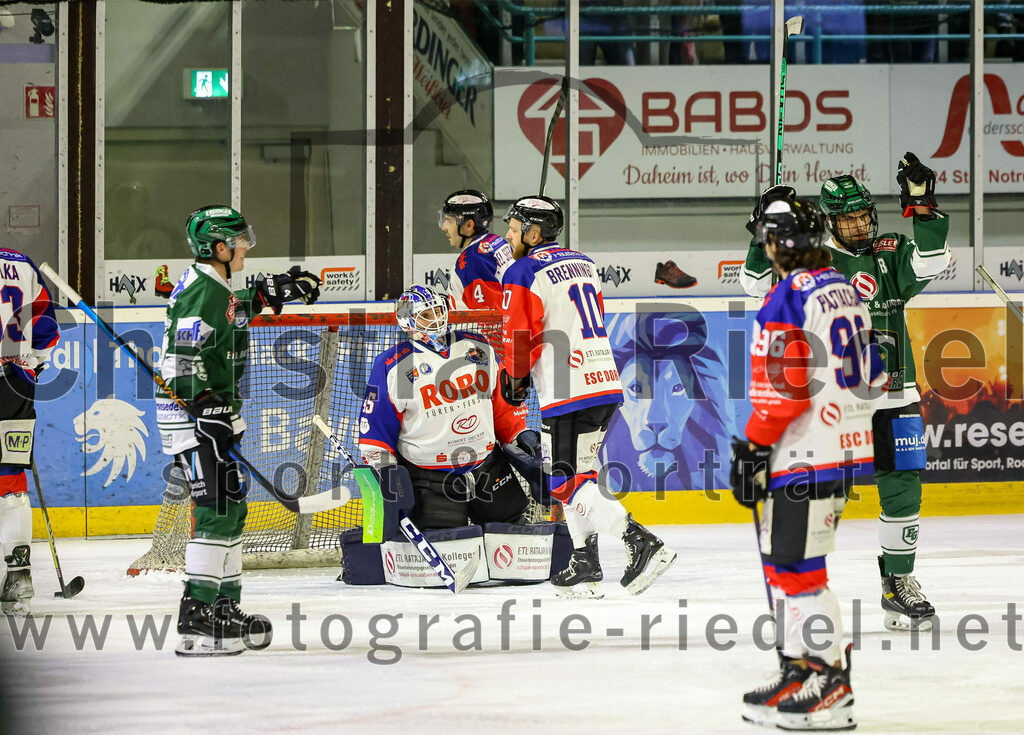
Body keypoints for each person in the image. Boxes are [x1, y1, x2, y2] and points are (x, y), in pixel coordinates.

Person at [740, 153, 951, 632]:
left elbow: (934, 260)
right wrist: (763, 227)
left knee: (903, 485)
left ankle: (898, 582)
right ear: (830, 221)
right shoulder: (812, 259)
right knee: (814, 492)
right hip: (834, 400)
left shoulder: (889, 251)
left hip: (894, 390)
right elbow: (753, 285)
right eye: (848, 218)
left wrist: (922, 206)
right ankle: (802, 590)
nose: (858, 225)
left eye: (862, 216)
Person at [731, 197, 887, 730]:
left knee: (800, 571)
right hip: (836, 449)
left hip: (803, 452)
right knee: (788, 565)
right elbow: (875, 375)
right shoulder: (845, 288)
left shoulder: (787, 297)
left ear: (777, 243)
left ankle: (831, 682)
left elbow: (783, 391)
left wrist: (753, 447)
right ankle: (799, 671)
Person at [156, 205, 320, 656]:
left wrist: (265, 294)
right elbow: (180, 360)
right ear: (219, 248)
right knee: (214, 510)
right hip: (194, 418)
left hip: (214, 412)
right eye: (239, 241)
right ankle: (196, 616)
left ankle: (224, 607)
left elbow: (230, 314)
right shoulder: (201, 289)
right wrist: (203, 405)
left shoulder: (215, 284)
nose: (246, 246)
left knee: (231, 509)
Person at [500, 195, 676, 599]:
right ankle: (584, 562)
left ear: (533, 233)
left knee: (563, 483)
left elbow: (522, 332)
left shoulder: (522, 270)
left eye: (513, 229)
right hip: (602, 379)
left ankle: (642, 543)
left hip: (568, 387)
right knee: (577, 476)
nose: (507, 236)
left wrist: (515, 375)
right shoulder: (584, 262)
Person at [358, 284, 540, 530]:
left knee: (514, 537)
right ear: (406, 321)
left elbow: (501, 406)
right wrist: (385, 472)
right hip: (430, 479)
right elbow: (375, 431)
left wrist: (519, 434)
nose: (436, 319)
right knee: (446, 545)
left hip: (488, 467)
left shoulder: (477, 346)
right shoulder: (393, 366)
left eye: (438, 311)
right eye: (426, 314)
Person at [0, 247, 59, 616]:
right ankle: (18, 576)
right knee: (9, 478)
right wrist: (29, 366)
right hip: (15, 383)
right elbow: (46, 329)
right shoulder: (20, 263)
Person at [438, 189, 513, 311]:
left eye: (450, 221)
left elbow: (489, 317)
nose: (444, 227)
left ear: (469, 225)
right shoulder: (496, 241)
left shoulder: (473, 260)